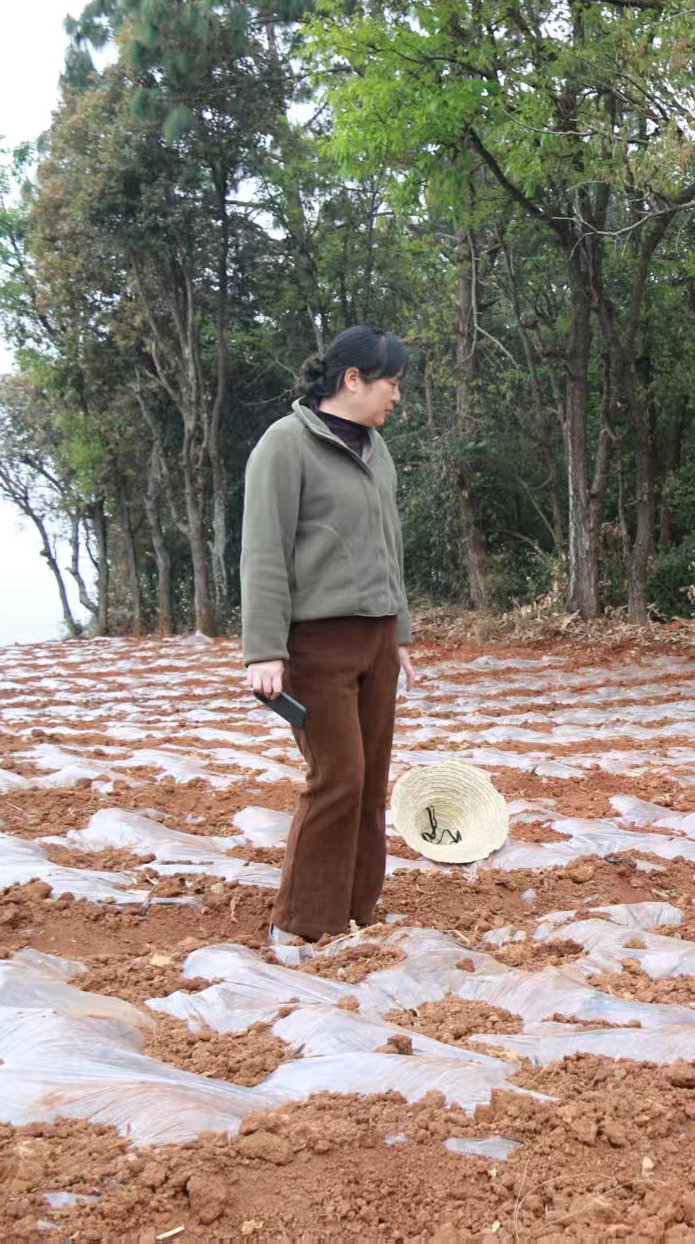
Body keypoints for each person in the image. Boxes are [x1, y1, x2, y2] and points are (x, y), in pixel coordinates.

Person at [241, 325, 415, 945]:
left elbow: (388, 545)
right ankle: (301, 922)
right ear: (352, 380)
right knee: (337, 776)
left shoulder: (376, 448)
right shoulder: (285, 445)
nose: (397, 396)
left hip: (375, 639)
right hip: (317, 644)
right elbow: (263, 549)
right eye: (390, 383)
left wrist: (398, 631)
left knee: (370, 781)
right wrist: (264, 649)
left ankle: (359, 910)